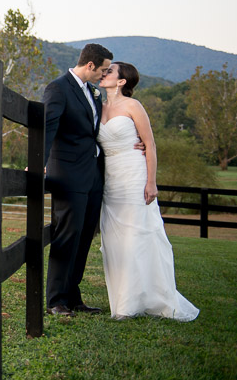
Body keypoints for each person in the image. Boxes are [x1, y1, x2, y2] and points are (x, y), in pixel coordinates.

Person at [97, 62, 199, 321]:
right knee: (114, 239)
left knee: (138, 235)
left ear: (121, 81)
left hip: (134, 175)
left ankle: (144, 300)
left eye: (110, 71)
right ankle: (122, 301)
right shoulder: (97, 107)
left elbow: (150, 145)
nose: (104, 73)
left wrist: (151, 182)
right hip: (110, 179)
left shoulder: (134, 107)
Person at [42, 43, 112, 316]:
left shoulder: (92, 93)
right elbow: (48, 126)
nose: (104, 76)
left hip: (93, 175)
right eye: (103, 70)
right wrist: (37, 161)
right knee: (67, 236)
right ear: (90, 65)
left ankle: (73, 295)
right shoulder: (58, 88)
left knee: (84, 236)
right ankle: (56, 300)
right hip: (69, 174)